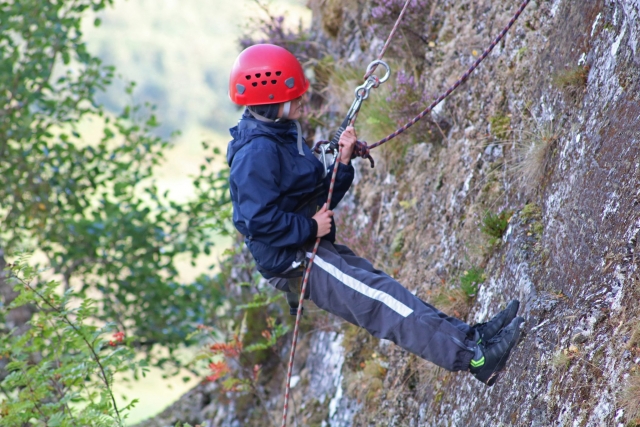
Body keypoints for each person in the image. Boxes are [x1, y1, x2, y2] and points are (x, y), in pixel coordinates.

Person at [226, 43, 524, 386]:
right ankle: (478, 359)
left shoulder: (279, 134)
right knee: (381, 304)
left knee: (385, 290)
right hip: (292, 258)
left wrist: (342, 160)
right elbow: (257, 221)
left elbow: (315, 193)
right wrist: (308, 226)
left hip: (308, 244)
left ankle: (472, 337)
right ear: (272, 99)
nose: (302, 101)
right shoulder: (256, 153)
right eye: (295, 96)